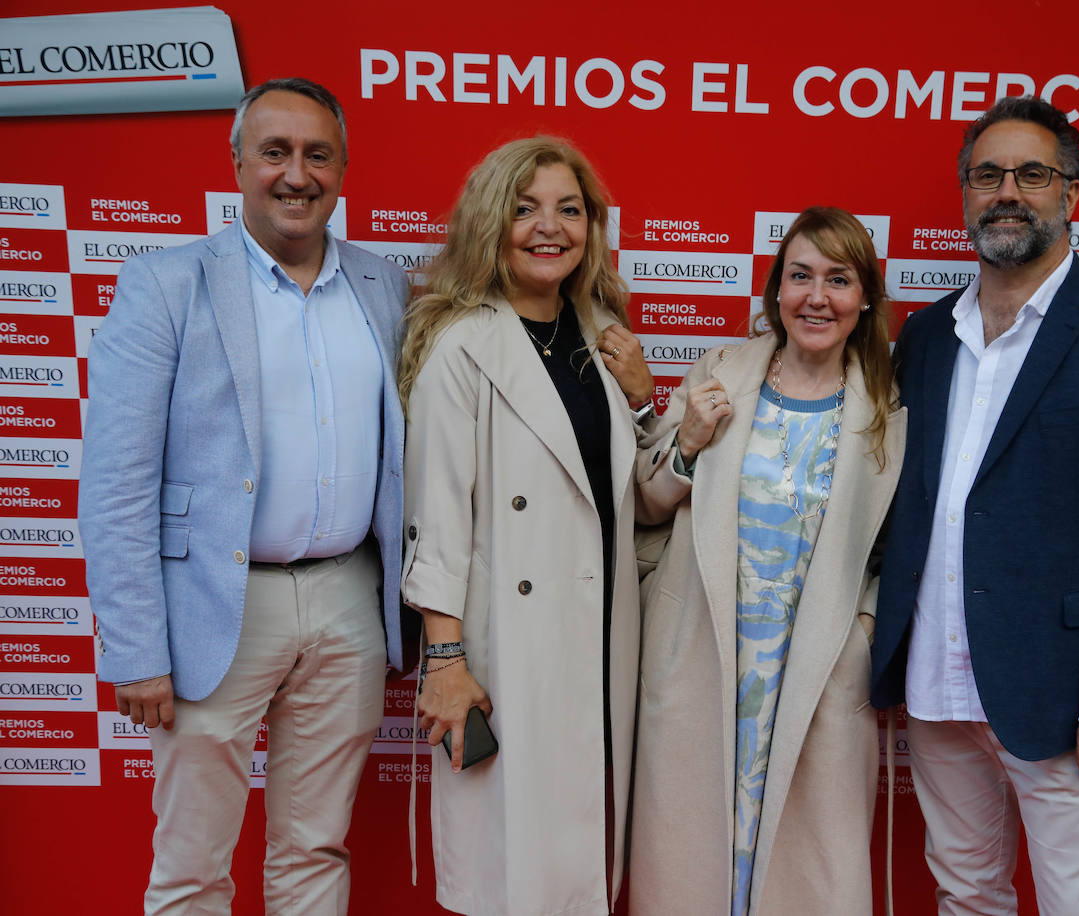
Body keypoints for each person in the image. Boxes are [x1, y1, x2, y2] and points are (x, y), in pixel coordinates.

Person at [870, 95, 1079, 915]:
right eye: (987, 175)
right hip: (939, 687)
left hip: (1065, 700)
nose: (1007, 192)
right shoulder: (925, 338)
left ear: (1072, 192)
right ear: (964, 194)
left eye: (1032, 173)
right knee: (966, 894)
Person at [78, 78, 410, 915]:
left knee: (315, 849)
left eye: (317, 154)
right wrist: (136, 648)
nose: (296, 174)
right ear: (236, 162)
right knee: (192, 864)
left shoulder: (384, 285)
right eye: (274, 152)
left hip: (347, 597)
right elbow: (115, 482)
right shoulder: (164, 284)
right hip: (211, 606)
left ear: (342, 167)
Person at [396, 136, 654, 915]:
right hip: (507, 644)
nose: (550, 227)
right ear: (490, 222)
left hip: (603, 638)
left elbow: (630, 499)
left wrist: (645, 403)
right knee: (515, 870)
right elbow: (434, 519)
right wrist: (444, 661)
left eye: (569, 209)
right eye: (526, 207)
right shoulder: (461, 347)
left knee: (579, 857)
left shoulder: (602, 330)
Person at [630, 206, 905, 915]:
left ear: (865, 296)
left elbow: (898, 547)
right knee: (687, 863)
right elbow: (646, 504)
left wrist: (865, 630)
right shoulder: (721, 372)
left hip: (813, 669)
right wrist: (686, 443)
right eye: (800, 276)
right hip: (703, 657)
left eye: (838, 280)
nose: (817, 297)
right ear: (776, 290)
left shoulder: (888, 409)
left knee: (807, 870)